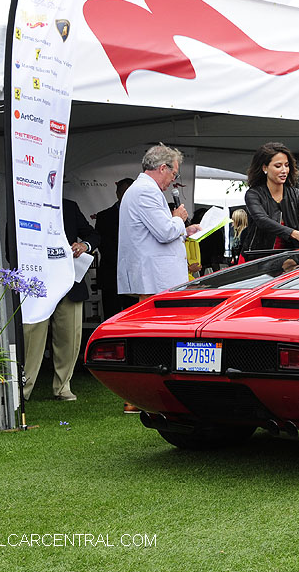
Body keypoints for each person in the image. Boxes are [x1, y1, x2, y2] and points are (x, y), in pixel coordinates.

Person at [118, 145, 201, 413]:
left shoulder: (145, 190)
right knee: (149, 338)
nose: (173, 182)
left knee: (154, 338)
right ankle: (138, 396)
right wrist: (177, 220)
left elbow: (159, 233)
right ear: (162, 168)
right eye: (173, 174)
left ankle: (145, 394)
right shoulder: (145, 191)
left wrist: (183, 229)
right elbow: (165, 232)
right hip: (153, 278)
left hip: (155, 276)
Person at [23, 198, 100, 401]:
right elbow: (9, 245)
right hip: (37, 284)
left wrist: (85, 245)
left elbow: (93, 235)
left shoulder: (69, 206)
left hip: (68, 283)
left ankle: (63, 386)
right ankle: (23, 389)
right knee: (31, 338)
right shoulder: (23, 202)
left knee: (69, 338)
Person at [93, 177, 135, 320]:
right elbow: (104, 245)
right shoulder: (104, 216)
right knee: (112, 317)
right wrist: (124, 263)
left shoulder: (142, 215)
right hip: (112, 276)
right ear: (117, 193)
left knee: (134, 318)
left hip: (135, 279)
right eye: (124, 192)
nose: (127, 196)